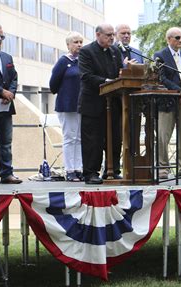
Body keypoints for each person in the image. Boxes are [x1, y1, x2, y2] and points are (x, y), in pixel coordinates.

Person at [77, 23, 123, 184]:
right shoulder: (86, 51)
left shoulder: (115, 51)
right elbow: (86, 76)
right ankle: (90, 173)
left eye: (113, 35)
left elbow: (119, 73)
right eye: (108, 35)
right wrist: (107, 82)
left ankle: (112, 170)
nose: (111, 38)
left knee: (114, 139)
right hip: (93, 103)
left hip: (113, 104)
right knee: (93, 141)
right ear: (98, 35)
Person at [153, 27, 181, 179]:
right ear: (168, 39)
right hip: (167, 101)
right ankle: (163, 168)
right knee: (163, 136)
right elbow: (162, 78)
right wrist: (179, 91)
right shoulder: (160, 56)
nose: (180, 41)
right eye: (177, 37)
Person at [0, 23, 21, 184]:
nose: (0, 40)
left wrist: (11, 93)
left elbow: (14, 77)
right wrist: (1, 91)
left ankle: (7, 174)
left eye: (2, 37)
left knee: (6, 142)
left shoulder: (7, 57)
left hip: (5, 106)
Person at [49, 31, 83, 182]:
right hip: (67, 104)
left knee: (80, 138)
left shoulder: (83, 61)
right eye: (75, 42)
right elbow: (53, 83)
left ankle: (79, 168)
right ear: (68, 45)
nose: (79, 45)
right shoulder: (64, 61)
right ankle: (69, 169)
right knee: (70, 137)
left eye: (81, 42)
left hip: (82, 105)